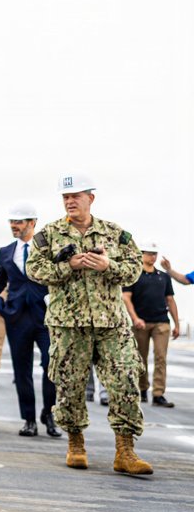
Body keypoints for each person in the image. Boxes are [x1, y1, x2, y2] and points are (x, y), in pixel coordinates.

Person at [24, 172, 151, 474]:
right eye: (65, 197)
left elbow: (134, 269)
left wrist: (109, 265)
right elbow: (34, 269)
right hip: (69, 325)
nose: (70, 201)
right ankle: (75, 443)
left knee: (125, 382)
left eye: (75, 196)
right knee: (69, 386)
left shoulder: (114, 233)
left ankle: (125, 450)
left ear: (90, 198)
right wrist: (68, 266)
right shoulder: (50, 234)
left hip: (111, 324)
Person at [0, 202, 58, 438]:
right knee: (21, 370)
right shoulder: (6, 251)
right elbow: (0, 279)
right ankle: (28, 419)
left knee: (51, 365)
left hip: (46, 317)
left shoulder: (46, 248)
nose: (14, 226)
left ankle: (49, 414)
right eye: (11, 222)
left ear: (32, 223)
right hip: (16, 317)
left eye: (18, 222)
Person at [122, 241, 180, 408]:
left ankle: (158, 394)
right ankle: (142, 390)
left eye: (154, 253)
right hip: (141, 323)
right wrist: (135, 318)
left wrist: (176, 324)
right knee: (140, 358)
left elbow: (170, 299)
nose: (152, 256)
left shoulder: (163, 277)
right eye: (148, 253)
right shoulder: (134, 275)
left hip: (161, 322)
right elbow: (126, 297)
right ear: (141, 254)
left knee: (161, 358)